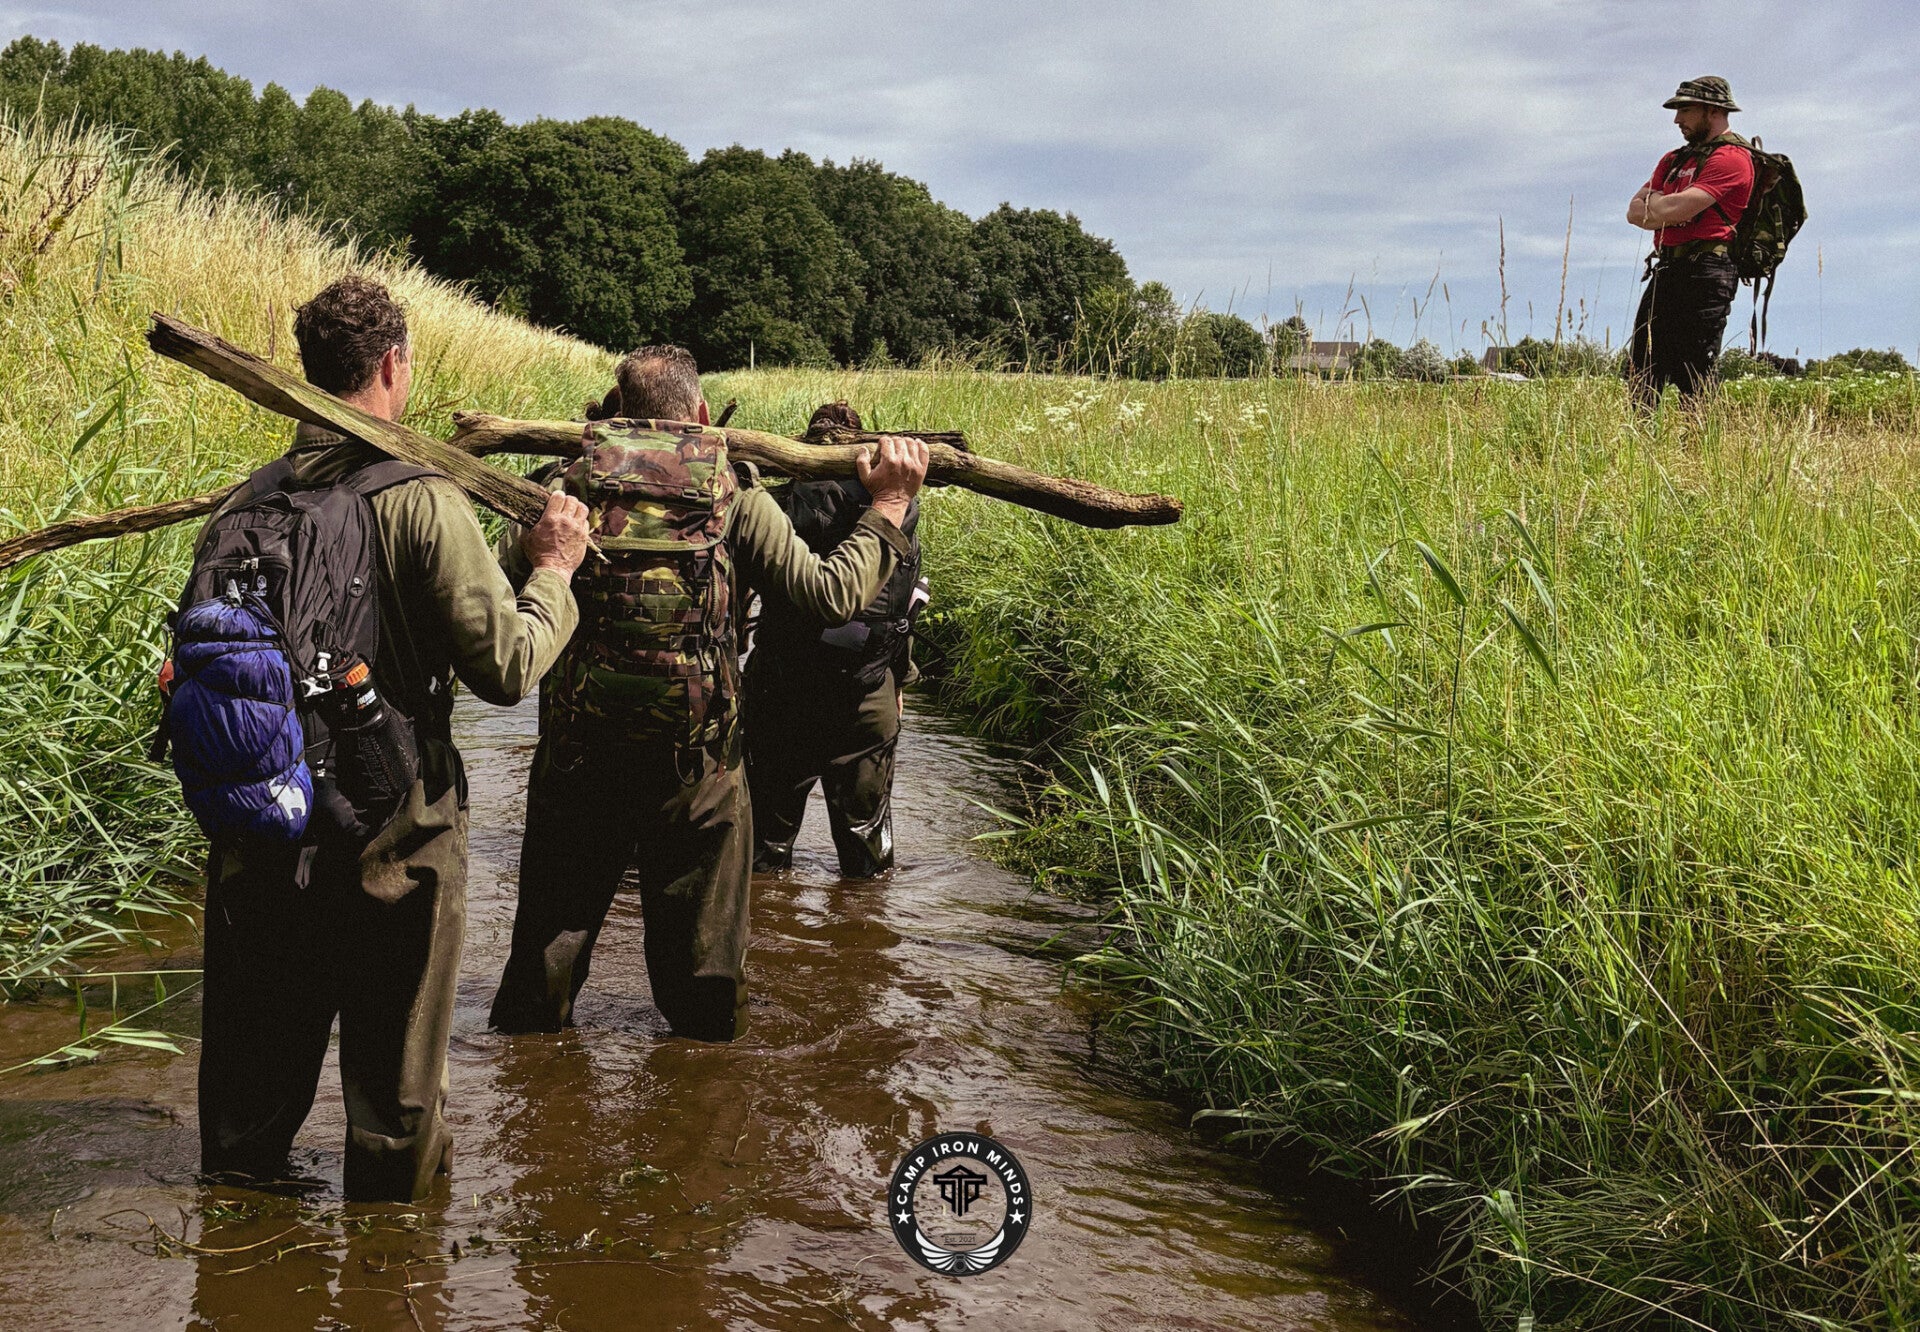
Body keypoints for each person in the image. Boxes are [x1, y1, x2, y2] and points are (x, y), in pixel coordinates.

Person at [195, 275, 590, 1202]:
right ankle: (391, 1260)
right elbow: (507, 667)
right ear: (392, 365)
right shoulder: (423, 497)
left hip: (263, 829)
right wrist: (553, 570)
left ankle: (238, 1246)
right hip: (393, 833)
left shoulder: (243, 503)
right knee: (394, 1102)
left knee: (248, 1109)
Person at [487, 348, 928, 1041]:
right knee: (704, 991)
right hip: (699, 771)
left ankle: (528, 1087)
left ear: (616, 412)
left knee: (542, 976)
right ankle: (701, 1096)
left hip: (578, 759)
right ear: (700, 414)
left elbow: (496, 599)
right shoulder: (737, 497)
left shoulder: (561, 488)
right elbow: (831, 595)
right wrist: (890, 504)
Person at [745, 402, 925, 877]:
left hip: (780, 691)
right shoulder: (898, 509)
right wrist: (900, 682)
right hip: (866, 697)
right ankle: (866, 922)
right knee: (867, 858)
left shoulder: (777, 505)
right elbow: (904, 605)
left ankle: (765, 921)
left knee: (763, 848)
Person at [1624, 76, 1755, 410]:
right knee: (1642, 366)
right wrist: (1665, 209)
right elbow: (1634, 212)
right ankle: (1639, 440)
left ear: (1713, 110)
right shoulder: (1673, 160)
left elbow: (1673, 208)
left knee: (1695, 370)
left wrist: (1660, 208)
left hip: (1708, 271)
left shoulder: (1732, 158)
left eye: (1685, 109)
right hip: (1667, 268)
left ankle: (1697, 442)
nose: (1677, 119)